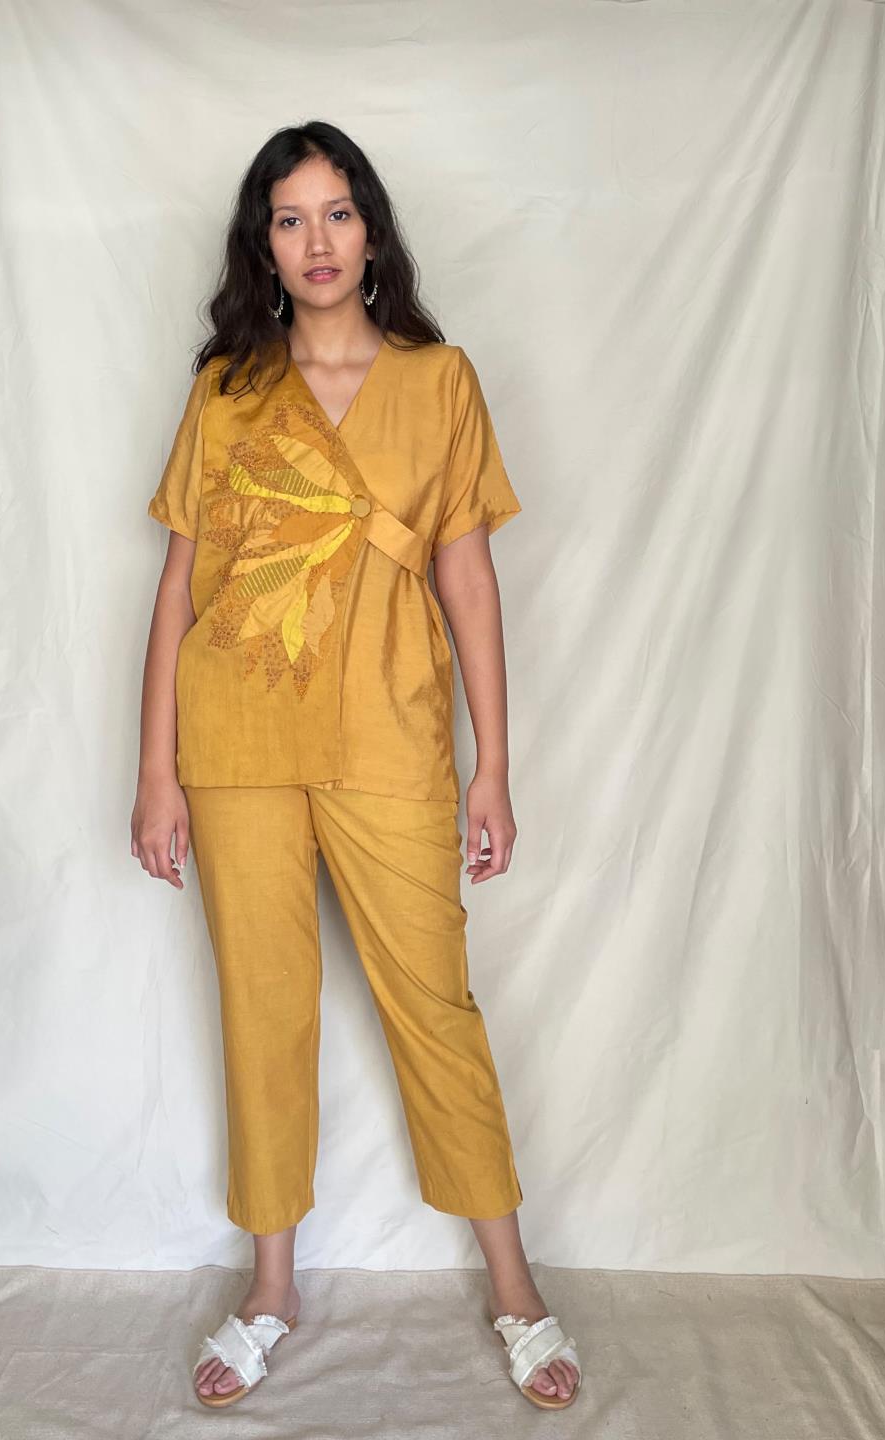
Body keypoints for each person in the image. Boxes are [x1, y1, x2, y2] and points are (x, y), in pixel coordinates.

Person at [131, 120, 581, 1412]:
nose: (316, 240)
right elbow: (179, 588)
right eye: (290, 218)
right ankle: (271, 1288)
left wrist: (493, 768)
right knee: (261, 1007)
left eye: (337, 213)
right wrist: (156, 772)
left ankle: (515, 1288)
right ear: (263, 246)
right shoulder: (227, 391)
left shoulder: (441, 383)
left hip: (391, 734)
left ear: (371, 232)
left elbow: (469, 581)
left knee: (436, 1003)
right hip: (237, 743)